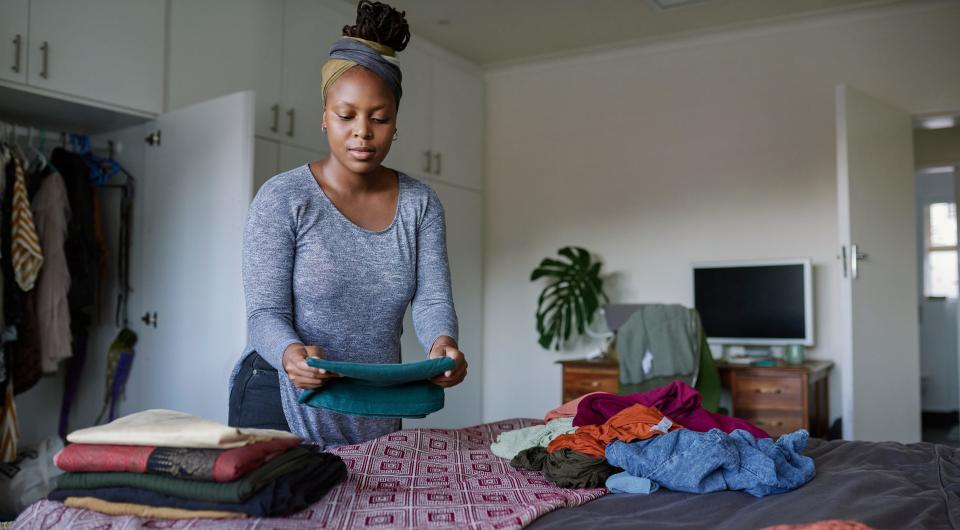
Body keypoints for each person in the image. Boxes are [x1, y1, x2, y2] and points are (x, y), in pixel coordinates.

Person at [228, 0, 467, 448]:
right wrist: (290, 354)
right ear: (324, 118)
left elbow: (432, 298)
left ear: (395, 125)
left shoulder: (420, 204)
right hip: (282, 389)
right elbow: (265, 313)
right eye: (346, 116)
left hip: (374, 397)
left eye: (379, 118)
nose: (363, 131)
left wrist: (442, 343)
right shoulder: (284, 198)